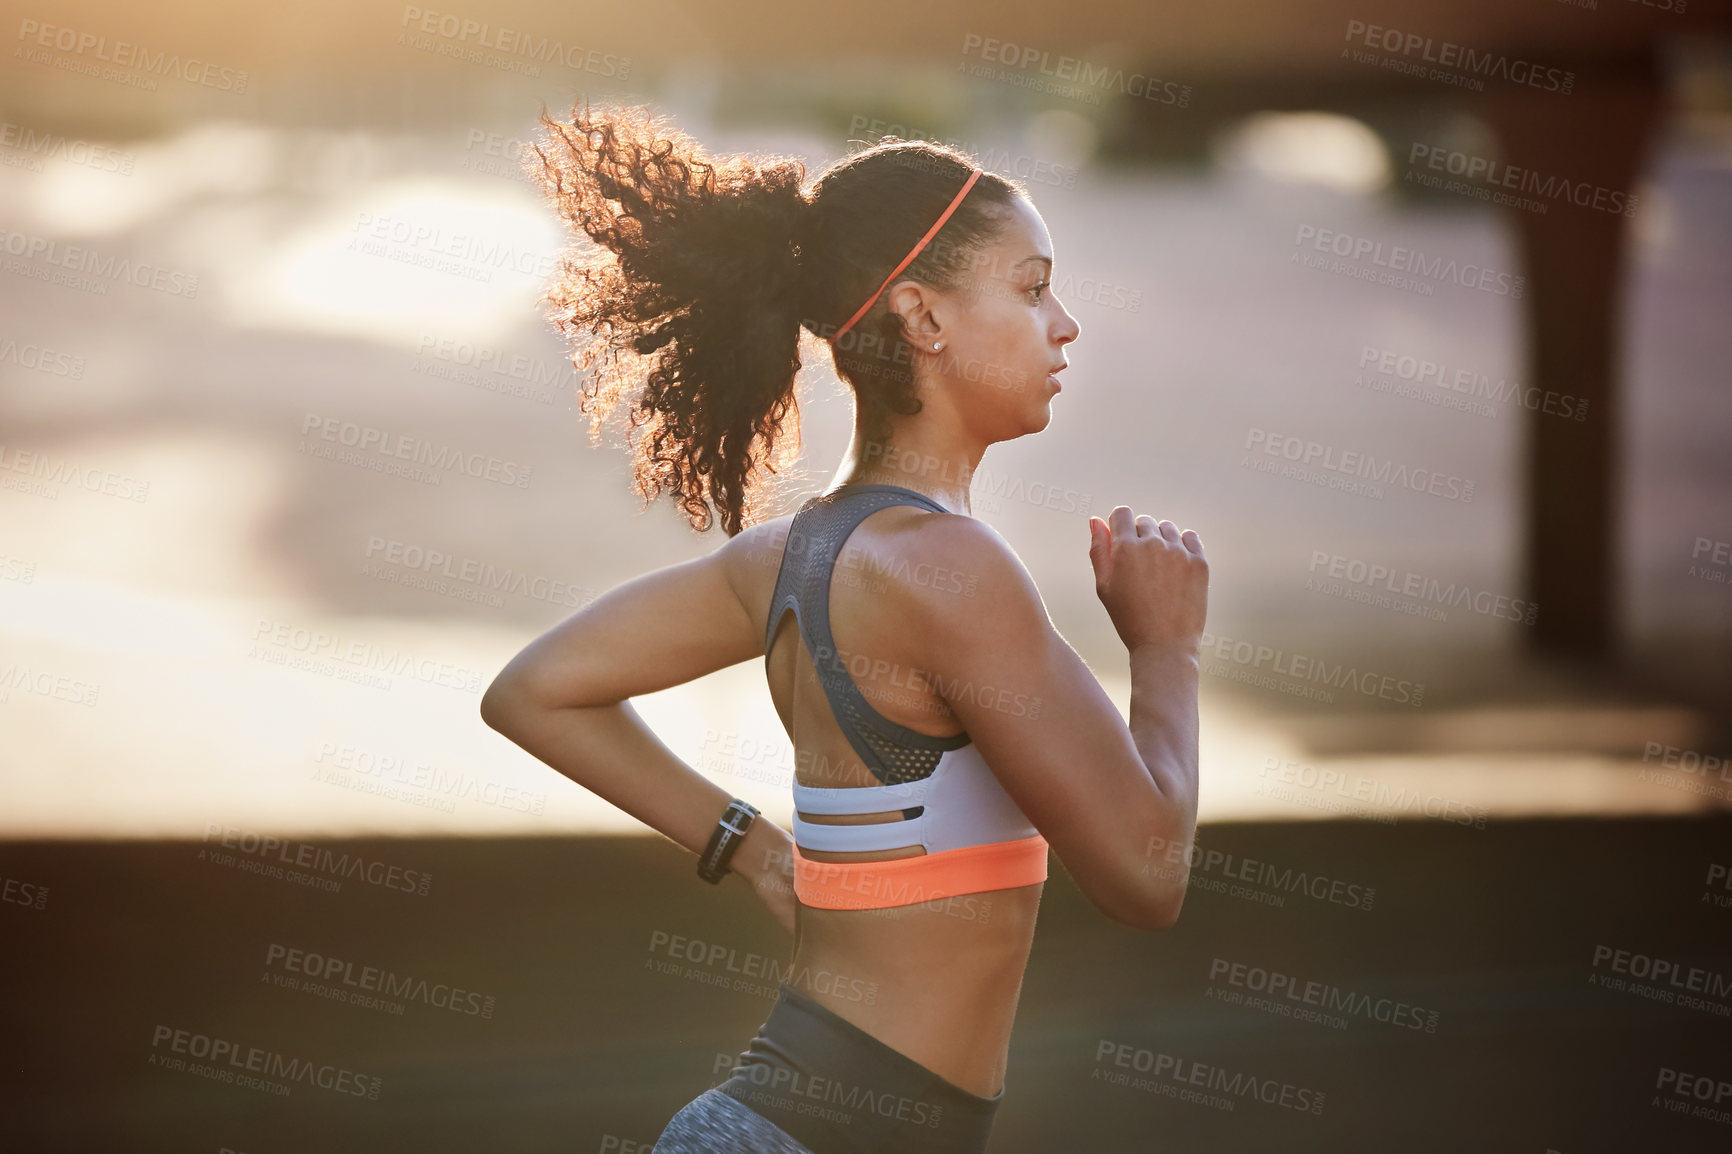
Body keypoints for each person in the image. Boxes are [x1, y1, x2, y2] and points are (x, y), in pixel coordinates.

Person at [480, 102, 1208, 1154]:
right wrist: (1166, 649)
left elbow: (534, 688)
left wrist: (757, 853)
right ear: (922, 316)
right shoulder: (951, 570)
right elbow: (1147, 877)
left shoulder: (787, 557)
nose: (1064, 324)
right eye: (1032, 286)